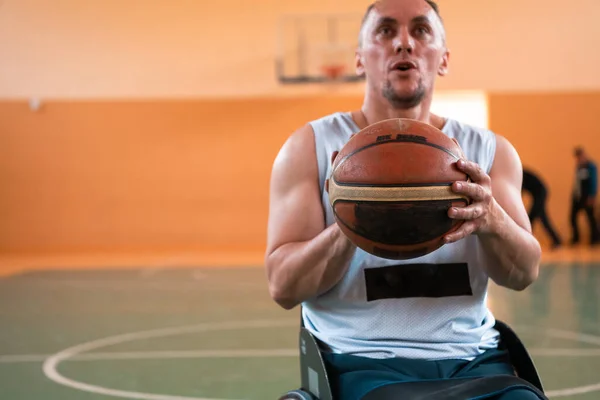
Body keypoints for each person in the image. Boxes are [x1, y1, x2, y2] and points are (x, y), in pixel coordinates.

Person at [265, 1, 543, 399]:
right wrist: (350, 224)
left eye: (421, 30)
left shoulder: (489, 151)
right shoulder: (309, 147)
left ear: (443, 59)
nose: (403, 43)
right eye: (385, 30)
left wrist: (491, 219)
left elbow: (523, 273)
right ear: (359, 59)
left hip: (474, 359)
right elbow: (283, 287)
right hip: (359, 360)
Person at [522, 168, 562, 249]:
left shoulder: (518, 172)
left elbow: (517, 193)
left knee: (530, 218)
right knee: (543, 220)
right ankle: (557, 240)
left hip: (541, 194)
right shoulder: (519, 172)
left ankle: (527, 243)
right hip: (539, 194)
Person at [570, 147, 599, 246]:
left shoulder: (591, 167)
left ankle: (595, 239)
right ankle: (576, 238)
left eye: (580, 156)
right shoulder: (579, 167)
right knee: (572, 217)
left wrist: (592, 196)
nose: (579, 159)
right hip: (578, 197)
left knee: (591, 218)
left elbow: (594, 182)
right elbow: (577, 183)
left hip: (587, 197)